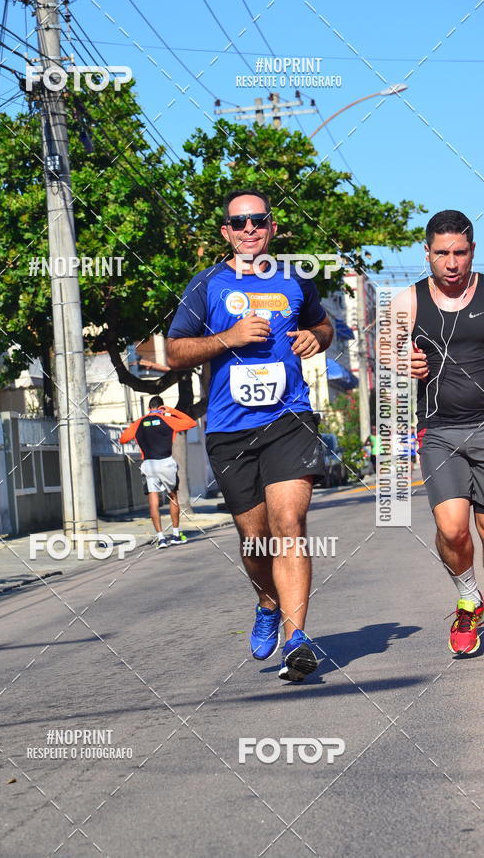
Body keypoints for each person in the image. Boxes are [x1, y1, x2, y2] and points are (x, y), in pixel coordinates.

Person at [166, 188, 333, 681]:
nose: (249, 230)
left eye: (258, 221)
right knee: (255, 539)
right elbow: (174, 352)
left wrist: (314, 337)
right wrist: (228, 339)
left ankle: (296, 638)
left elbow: (323, 329)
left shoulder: (296, 280)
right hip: (230, 430)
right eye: (239, 223)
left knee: (289, 523)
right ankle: (266, 600)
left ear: (272, 227)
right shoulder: (207, 285)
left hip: (289, 419)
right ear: (226, 232)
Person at [407, 209, 484, 654]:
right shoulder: (408, 303)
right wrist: (402, 365)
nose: (451, 263)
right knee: (453, 529)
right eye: (442, 254)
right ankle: (469, 600)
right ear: (427, 253)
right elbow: (389, 361)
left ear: (471, 251)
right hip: (440, 432)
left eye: (459, 253)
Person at [119, 396, 196, 548]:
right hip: (166, 463)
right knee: (173, 496)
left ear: (149, 408)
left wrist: (139, 425)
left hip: (148, 464)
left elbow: (122, 439)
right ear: (161, 407)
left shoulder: (139, 422)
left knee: (153, 502)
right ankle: (175, 535)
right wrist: (171, 411)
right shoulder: (168, 420)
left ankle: (161, 539)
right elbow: (191, 423)